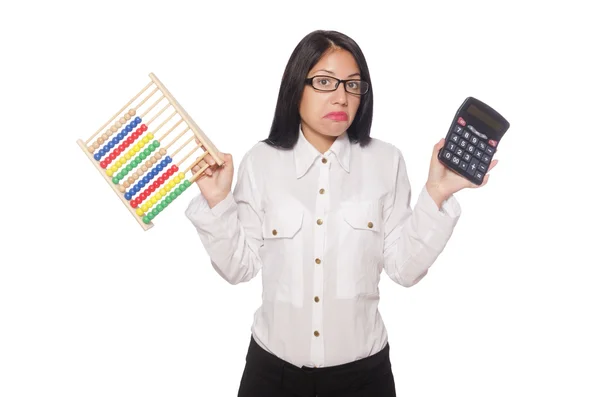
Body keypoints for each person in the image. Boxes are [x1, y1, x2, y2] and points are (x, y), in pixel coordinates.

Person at [185, 30, 498, 397]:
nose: (341, 96)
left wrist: (437, 194)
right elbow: (239, 268)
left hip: (364, 380)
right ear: (294, 88)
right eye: (324, 82)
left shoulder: (386, 161)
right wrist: (218, 203)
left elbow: (404, 269)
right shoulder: (261, 162)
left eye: (353, 85)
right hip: (271, 376)